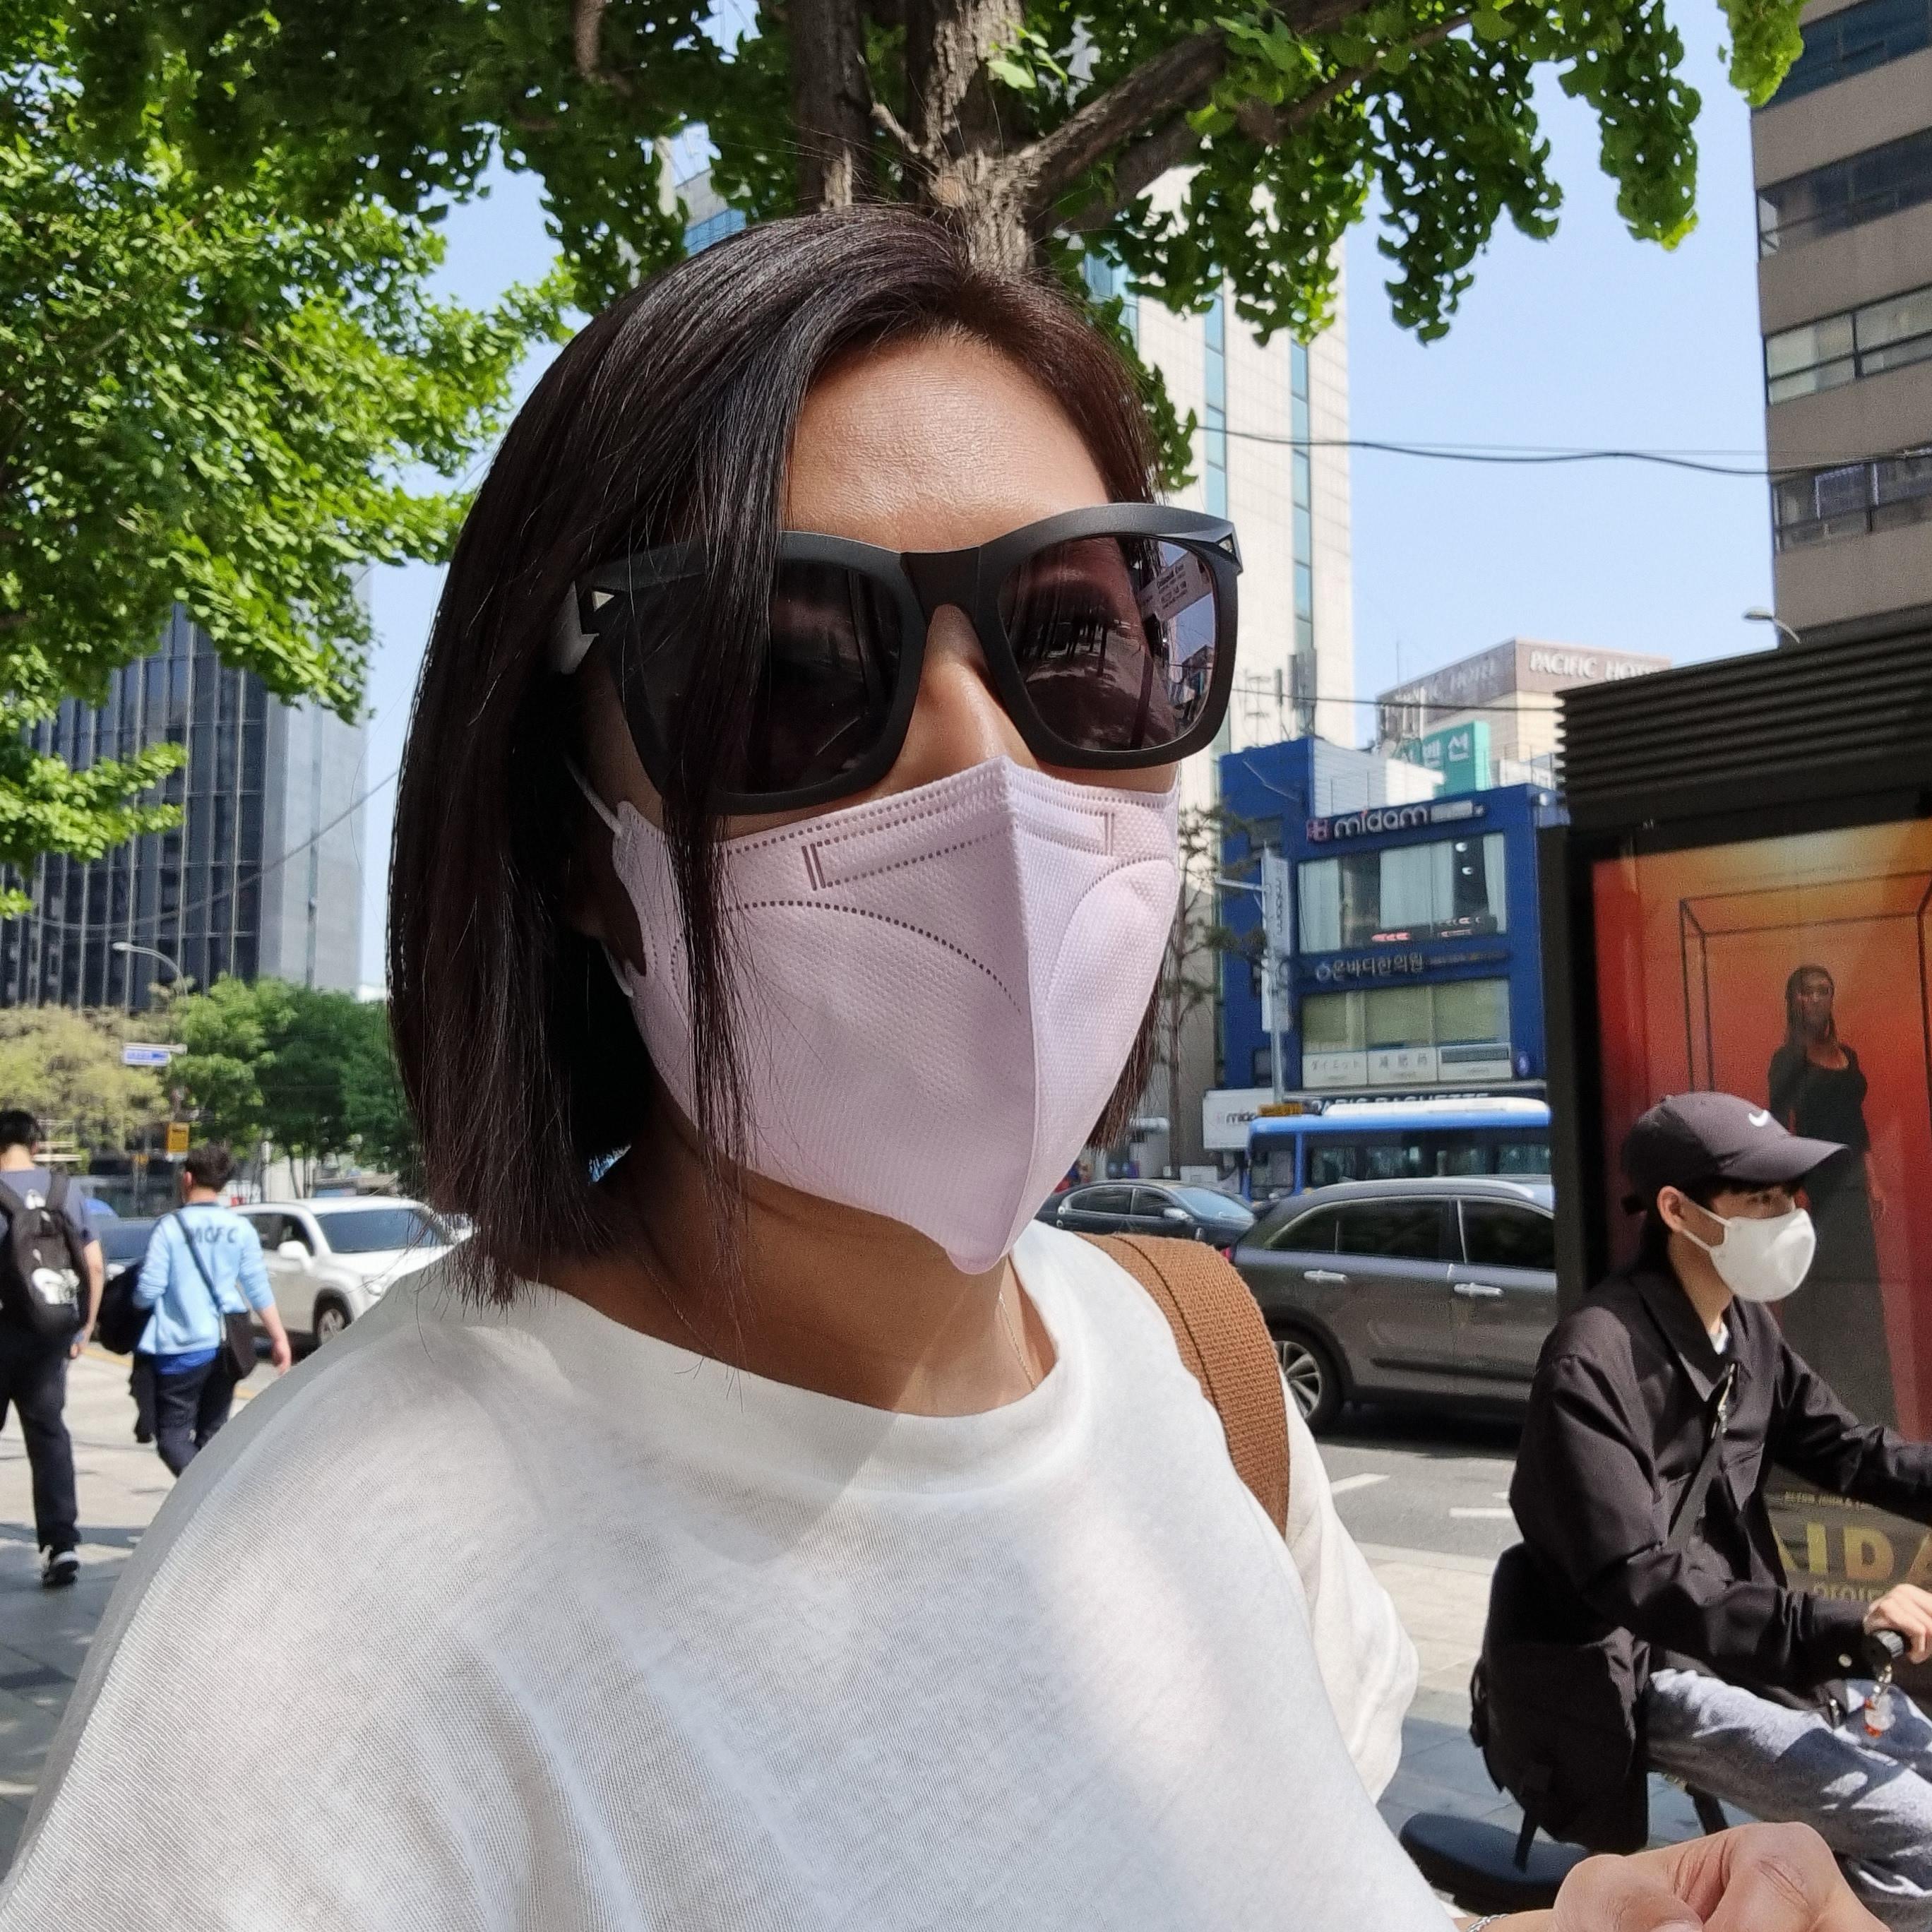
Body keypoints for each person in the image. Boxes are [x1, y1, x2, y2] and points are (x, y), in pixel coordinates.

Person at [0, 213, 1878, 1932]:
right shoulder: (325, 1636)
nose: (985, 762)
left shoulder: (1195, 1377)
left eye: (1088, 643)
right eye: (786, 669)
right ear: (571, 836)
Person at [1513, 1090, 1932, 1927]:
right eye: (1761, 1199)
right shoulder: (1592, 1360)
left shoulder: (1743, 1330)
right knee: (1923, 1834)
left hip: (1755, 1653)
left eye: (1789, 1196)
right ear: (1678, 1211)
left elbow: (1848, 1450)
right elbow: (1638, 1578)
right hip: (1652, 1671)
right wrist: (1838, 1627)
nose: (1790, 1217)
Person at [1770, 965, 1895, 1425]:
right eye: (1807, 991)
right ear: (1793, 1000)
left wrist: (1873, 1178)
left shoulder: (1848, 1055)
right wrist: (1792, 1188)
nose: (1817, 998)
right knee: (1820, 1302)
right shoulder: (1787, 1060)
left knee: (1861, 1303)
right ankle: (1817, 1418)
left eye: (1825, 990)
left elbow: (1856, 1124)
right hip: (1817, 1190)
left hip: (1853, 1190)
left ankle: (1869, 1413)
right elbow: (1777, 1127)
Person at [129, 1144, 292, 1474]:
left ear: (187, 1178)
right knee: (212, 1438)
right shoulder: (240, 1228)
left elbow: (149, 1289)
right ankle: (210, 1496)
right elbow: (257, 1287)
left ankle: (208, 1497)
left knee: (172, 1438)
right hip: (227, 1348)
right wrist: (279, 1338)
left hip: (180, 1348)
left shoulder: (170, 1227)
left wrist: (131, 1306)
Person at [0, 1111, 101, 1589]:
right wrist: (84, 1328)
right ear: (36, 1145)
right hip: (49, 1334)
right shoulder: (65, 1191)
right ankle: (61, 1545)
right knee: (48, 1435)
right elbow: (94, 1266)